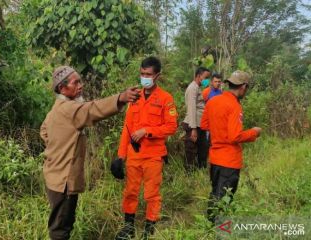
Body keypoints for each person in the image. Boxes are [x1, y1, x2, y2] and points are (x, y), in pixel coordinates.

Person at [40, 66, 140, 240]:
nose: (81, 85)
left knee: (62, 224)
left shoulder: (55, 110)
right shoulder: (69, 109)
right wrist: (121, 98)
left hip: (54, 177)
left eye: (80, 81)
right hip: (64, 181)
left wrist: (58, 146)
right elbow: (92, 109)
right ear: (63, 88)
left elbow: (44, 132)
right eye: (75, 82)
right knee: (60, 230)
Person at [113, 57, 178, 240]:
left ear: (157, 75)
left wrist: (147, 131)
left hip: (153, 156)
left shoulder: (166, 99)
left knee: (152, 194)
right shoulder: (134, 97)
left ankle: (149, 230)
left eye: (148, 74)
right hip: (134, 155)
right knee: (130, 192)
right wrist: (120, 156)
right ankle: (128, 227)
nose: (144, 78)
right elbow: (126, 129)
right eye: (142, 74)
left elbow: (171, 127)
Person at [200, 70, 262, 224]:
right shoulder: (234, 106)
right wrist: (254, 132)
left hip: (215, 159)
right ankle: (220, 231)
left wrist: (219, 131)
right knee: (224, 201)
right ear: (243, 87)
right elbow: (235, 136)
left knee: (215, 195)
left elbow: (204, 124)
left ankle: (209, 228)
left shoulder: (213, 101)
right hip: (229, 161)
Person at [182, 67, 211, 171]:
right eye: (206, 77)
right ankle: (189, 173)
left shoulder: (198, 88)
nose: (207, 80)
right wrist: (193, 128)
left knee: (203, 148)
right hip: (193, 124)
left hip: (200, 123)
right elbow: (191, 108)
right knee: (191, 150)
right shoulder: (192, 88)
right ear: (199, 76)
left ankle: (201, 170)